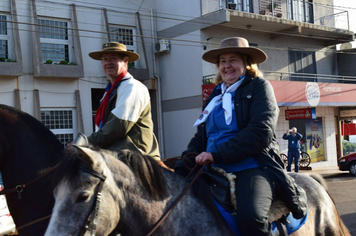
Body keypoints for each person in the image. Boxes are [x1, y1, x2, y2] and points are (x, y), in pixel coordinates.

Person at [174, 37, 307, 235]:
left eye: (233, 59)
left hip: (251, 165)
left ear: (246, 63)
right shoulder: (215, 95)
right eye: (222, 61)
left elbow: (260, 132)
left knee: (251, 218)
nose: (227, 66)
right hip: (212, 166)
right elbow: (201, 136)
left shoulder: (259, 87)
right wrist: (183, 163)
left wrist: (216, 154)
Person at [75, 42, 160, 161]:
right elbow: (102, 128)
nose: (108, 63)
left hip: (136, 156)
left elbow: (118, 125)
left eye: (113, 58)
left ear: (125, 61)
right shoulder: (110, 91)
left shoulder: (132, 87)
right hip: (116, 154)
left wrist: (87, 142)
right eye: (105, 59)